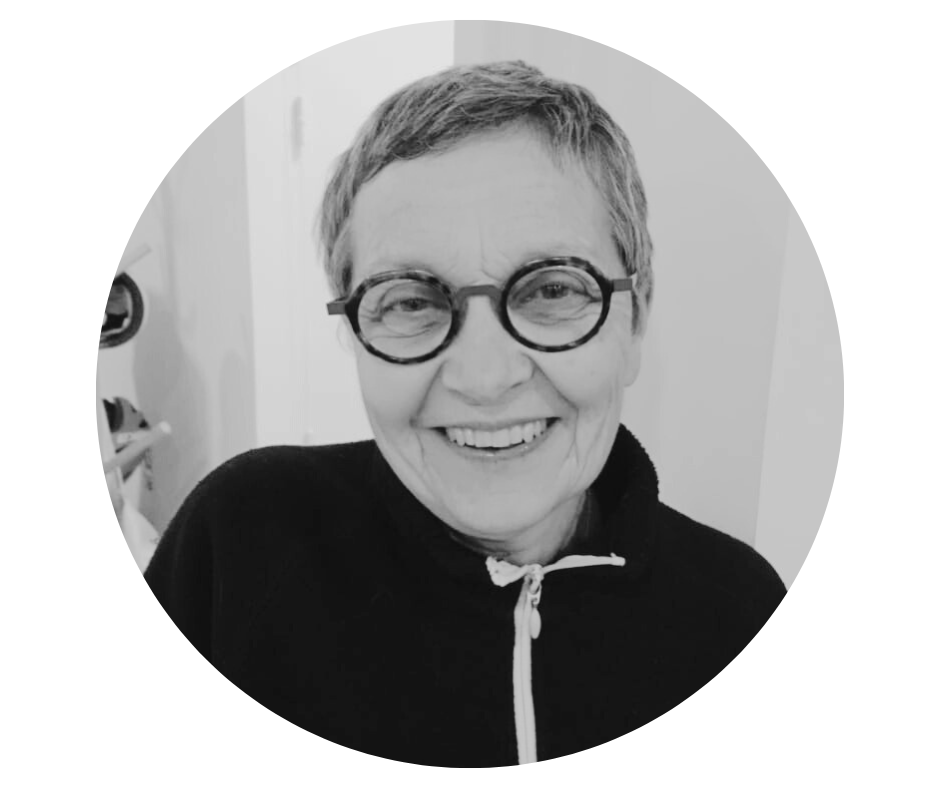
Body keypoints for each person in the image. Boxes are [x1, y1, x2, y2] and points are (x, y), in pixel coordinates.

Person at [145, 61, 785, 767]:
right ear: (354, 333)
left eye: (551, 290)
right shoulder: (236, 550)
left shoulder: (742, 617)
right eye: (411, 301)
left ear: (634, 323)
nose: (484, 379)